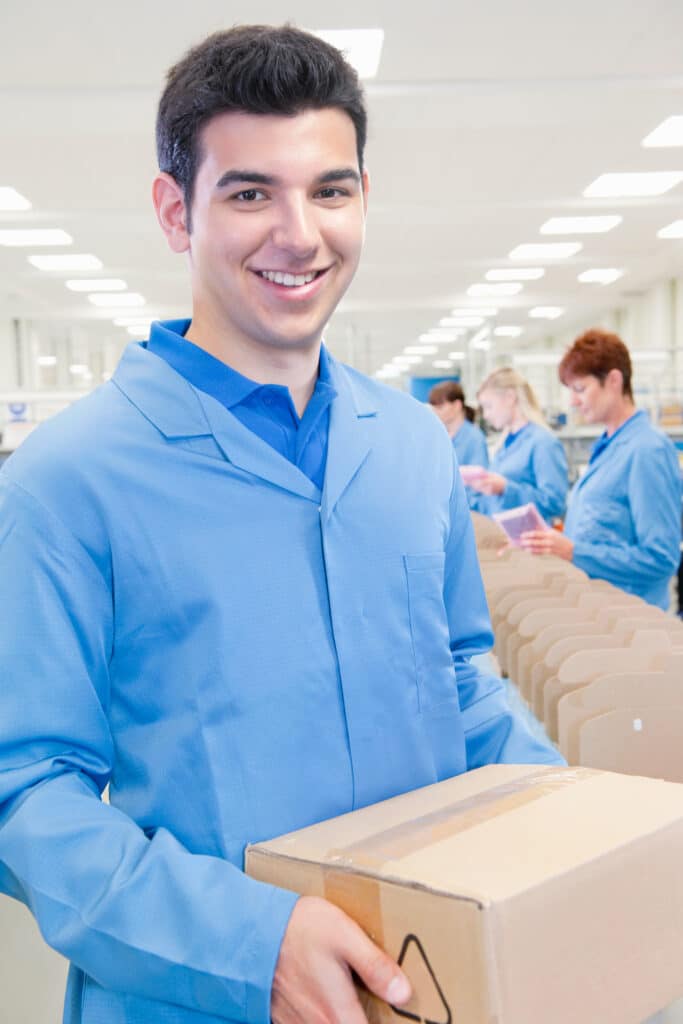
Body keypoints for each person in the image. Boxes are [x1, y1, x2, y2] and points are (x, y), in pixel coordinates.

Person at [0, 25, 563, 1024]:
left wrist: (564, 814)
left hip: (425, 979)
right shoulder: (68, 479)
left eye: (330, 190)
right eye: (250, 192)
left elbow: (459, 677)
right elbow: (24, 795)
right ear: (176, 210)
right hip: (192, 998)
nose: (298, 232)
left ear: (361, 199)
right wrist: (249, 944)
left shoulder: (405, 445)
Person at [519, 328, 682, 610]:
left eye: (580, 389)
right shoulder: (608, 446)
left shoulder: (647, 451)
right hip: (597, 610)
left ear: (614, 380)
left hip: (632, 622)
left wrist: (574, 552)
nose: (572, 401)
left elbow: (661, 557)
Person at [467, 366, 568, 523]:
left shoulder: (543, 442)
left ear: (510, 397)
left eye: (489, 406)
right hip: (499, 536)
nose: (486, 415)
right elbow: (493, 504)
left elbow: (555, 503)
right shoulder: (505, 443)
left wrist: (505, 488)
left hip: (528, 542)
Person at [428, 380, 489, 509]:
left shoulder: (474, 438)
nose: (435, 412)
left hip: (466, 511)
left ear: (456, 405)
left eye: (440, 407)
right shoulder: (440, 437)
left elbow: (477, 486)